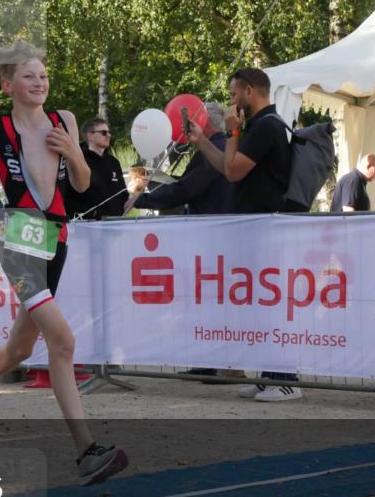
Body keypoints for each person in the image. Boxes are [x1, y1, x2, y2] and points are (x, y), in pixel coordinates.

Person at [0, 39, 128, 486]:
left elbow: (84, 184)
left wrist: (72, 151)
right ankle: (87, 451)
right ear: (8, 85)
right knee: (62, 343)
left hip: (58, 237)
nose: (40, 81)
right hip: (19, 241)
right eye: (29, 75)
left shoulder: (63, 120)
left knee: (22, 348)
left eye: (44, 74)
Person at [188, 67, 299, 402]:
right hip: (255, 228)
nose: (231, 100)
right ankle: (269, 375)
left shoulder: (266, 126)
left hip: (266, 228)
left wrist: (232, 132)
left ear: (250, 91)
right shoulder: (261, 125)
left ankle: (285, 379)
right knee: (259, 304)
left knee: (271, 304)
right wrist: (202, 141)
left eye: (235, 93)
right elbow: (227, 165)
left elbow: (233, 172)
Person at [127, 102, 231, 215]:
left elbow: (185, 190)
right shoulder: (230, 147)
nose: (190, 125)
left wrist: (142, 200)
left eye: (194, 120)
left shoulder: (209, 153)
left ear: (205, 121)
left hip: (209, 222)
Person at [72, 118, 127, 219]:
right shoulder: (78, 159)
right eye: (104, 132)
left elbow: (123, 193)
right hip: (87, 225)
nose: (109, 135)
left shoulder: (114, 162)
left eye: (109, 132)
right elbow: (70, 195)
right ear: (90, 136)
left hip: (115, 225)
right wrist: (94, 214)